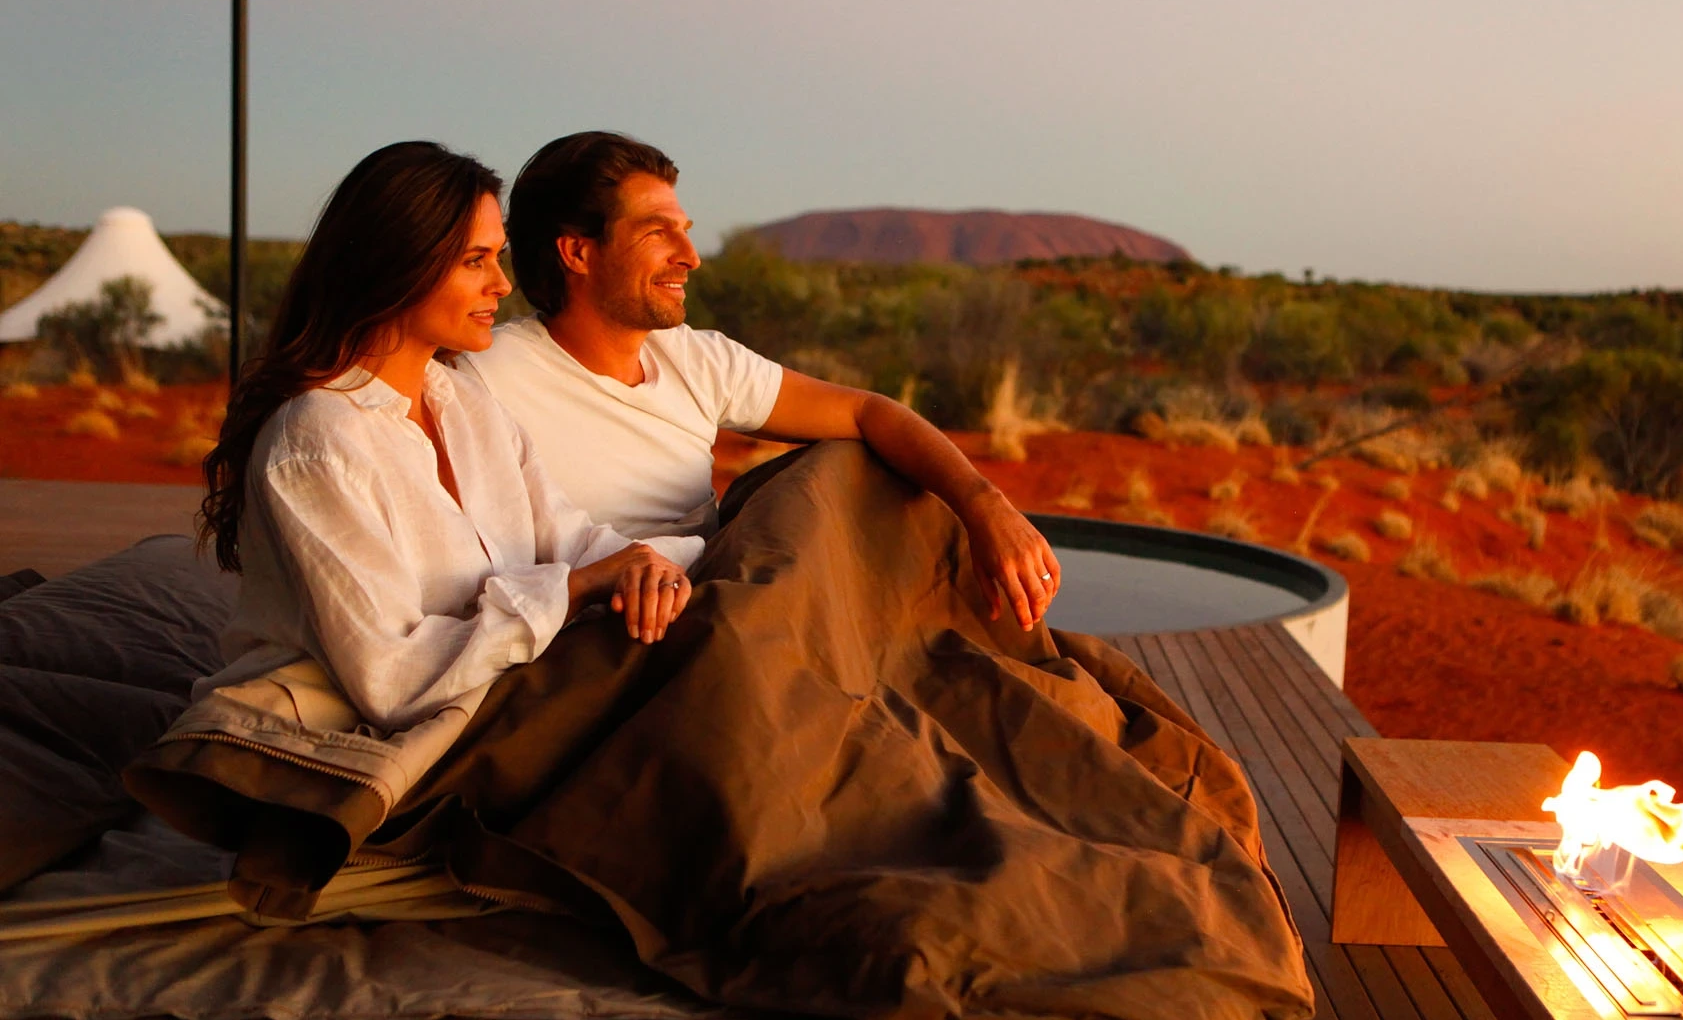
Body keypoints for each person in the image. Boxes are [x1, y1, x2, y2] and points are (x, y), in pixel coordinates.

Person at [454, 131, 1064, 631]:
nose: (690, 256)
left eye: (686, 230)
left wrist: (987, 506)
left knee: (842, 466)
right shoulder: (484, 379)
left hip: (731, 604)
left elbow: (868, 413)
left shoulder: (695, 358)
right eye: (657, 232)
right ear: (578, 253)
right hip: (620, 630)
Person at [194, 141, 703, 731]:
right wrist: (576, 589)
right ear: (397, 263)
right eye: (475, 260)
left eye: (500, 257)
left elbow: (567, 539)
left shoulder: (463, 400)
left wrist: (650, 565)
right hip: (344, 756)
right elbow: (393, 679)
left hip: (482, 716)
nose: (502, 284)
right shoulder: (316, 442)